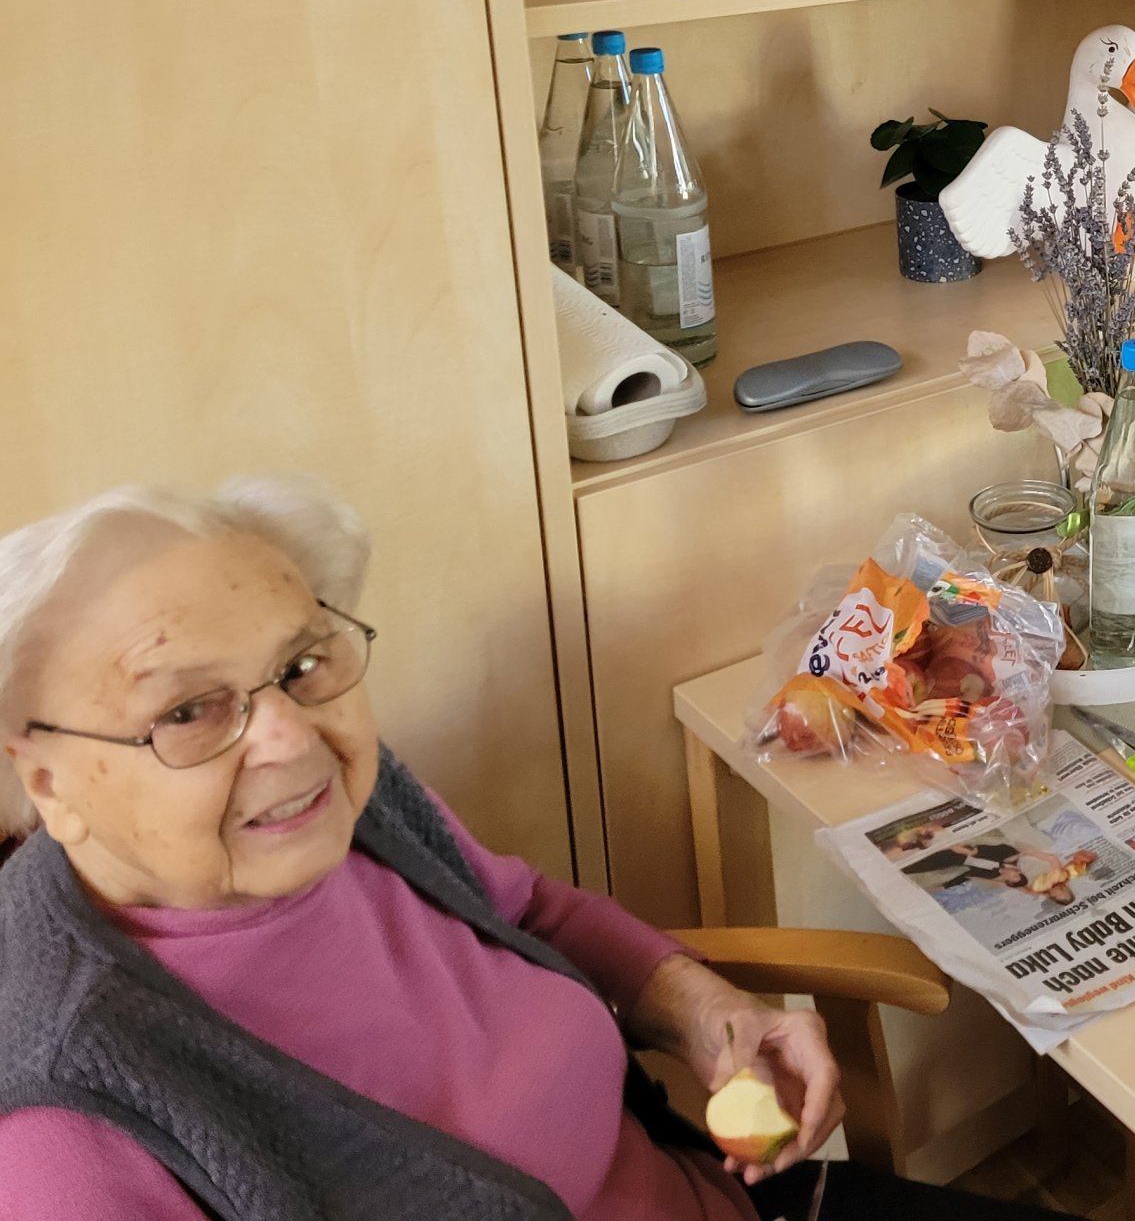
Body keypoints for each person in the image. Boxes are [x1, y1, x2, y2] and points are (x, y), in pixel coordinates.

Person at [0, 477, 1043, 1221]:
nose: (288, 739)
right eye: (186, 711)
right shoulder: (65, 1133)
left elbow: (527, 911)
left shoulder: (350, 806)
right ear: (44, 779)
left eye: (303, 664)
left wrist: (702, 1008)